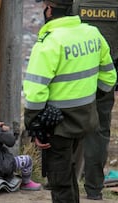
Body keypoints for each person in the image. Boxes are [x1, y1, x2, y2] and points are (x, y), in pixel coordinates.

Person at [23, 0, 117, 202]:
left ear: (48, 10)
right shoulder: (92, 33)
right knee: (70, 173)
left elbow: (34, 93)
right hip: (85, 119)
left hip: (57, 126)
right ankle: (93, 190)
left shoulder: (48, 43)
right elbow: (110, 77)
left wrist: (35, 126)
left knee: (61, 181)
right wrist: (90, 100)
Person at [71, 0, 118, 200]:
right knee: (99, 133)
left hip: (71, 73)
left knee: (66, 126)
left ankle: (61, 183)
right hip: (105, 73)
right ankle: (94, 189)